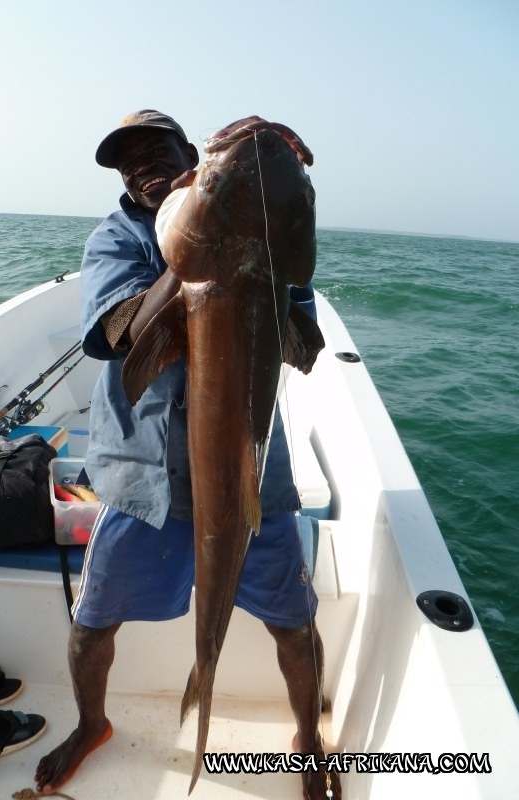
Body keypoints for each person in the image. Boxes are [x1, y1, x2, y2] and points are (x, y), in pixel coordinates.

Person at [35, 110, 340, 800]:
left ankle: (307, 737)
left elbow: (308, 345)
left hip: (251, 474)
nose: (142, 167)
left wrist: (265, 221)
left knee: (294, 624)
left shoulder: (260, 234)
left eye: (156, 153)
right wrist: (197, 257)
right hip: (143, 478)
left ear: (186, 153)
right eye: (127, 162)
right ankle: (91, 723)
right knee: (93, 622)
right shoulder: (114, 238)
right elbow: (121, 336)